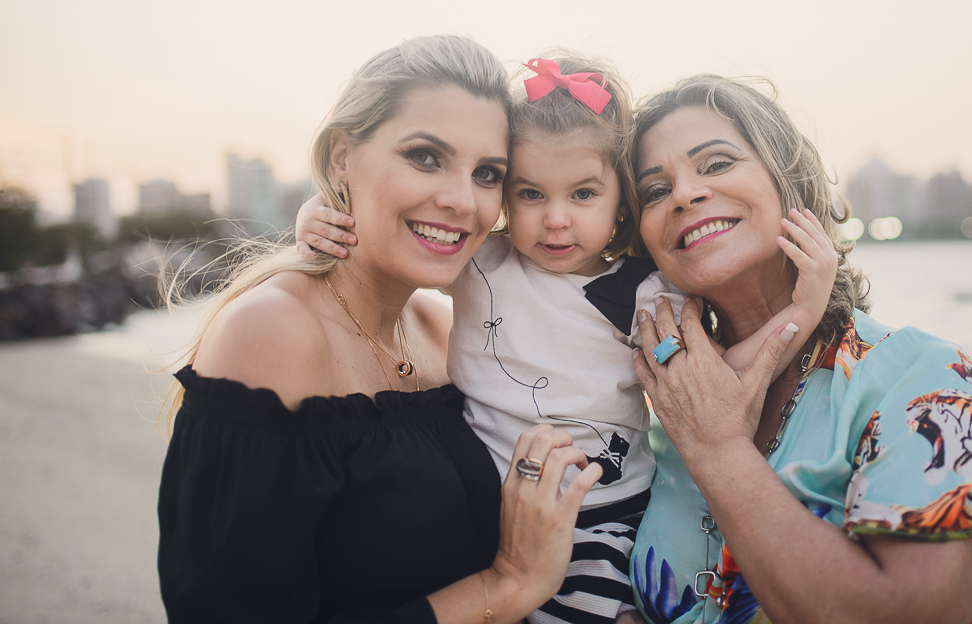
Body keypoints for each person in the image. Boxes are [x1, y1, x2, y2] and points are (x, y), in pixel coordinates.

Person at [295, 54, 839, 624]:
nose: (556, 220)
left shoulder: (641, 294)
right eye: (531, 195)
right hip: (491, 505)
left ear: (621, 202)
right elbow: (385, 239)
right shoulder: (480, 264)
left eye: (582, 195)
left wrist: (802, 310)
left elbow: (724, 374)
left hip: (604, 509)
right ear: (504, 196)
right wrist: (320, 213)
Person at [157, 36, 604, 624]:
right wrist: (509, 586)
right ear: (342, 155)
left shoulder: (445, 329)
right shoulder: (272, 334)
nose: (461, 200)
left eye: (488, 173)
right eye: (425, 156)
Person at [625, 75, 972, 624]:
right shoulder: (671, 402)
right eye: (654, 190)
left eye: (717, 163)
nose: (684, 195)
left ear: (787, 182)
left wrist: (718, 450)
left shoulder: (920, 379)